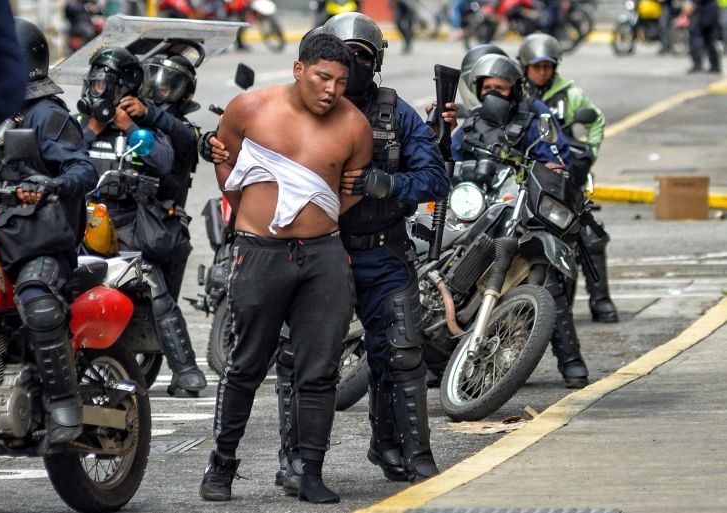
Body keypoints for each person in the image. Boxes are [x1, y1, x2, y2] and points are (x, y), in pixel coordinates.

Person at [201, 12, 450, 489]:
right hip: (309, 251)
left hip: (377, 251)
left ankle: (405, 450)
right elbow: (233, 164)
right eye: (335, 62)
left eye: (358, 60)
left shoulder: (386, 115)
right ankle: (286, 462)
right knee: (289, 360)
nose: (344, 75)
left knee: (400, 353)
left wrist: (387, 183)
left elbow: (434, 177)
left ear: (374, 64)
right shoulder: (267, 108)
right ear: (307, 63)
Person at [198, 33, 372, 505]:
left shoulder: (355, 126)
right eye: (322, 77)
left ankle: (309, 470)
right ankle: (222, 465)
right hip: (260, 253)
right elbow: (226, 164)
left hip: (323, 256)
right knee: (245, 364)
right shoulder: (249, 109)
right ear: (299, 70)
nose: (331, 90)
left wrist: (313, 220)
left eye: (340, 81)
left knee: (319, 370)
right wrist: (256, 220)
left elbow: (349, 192)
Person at [0, 17, 99, 506]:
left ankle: (63, 406)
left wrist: (51, 185)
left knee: (38, 303)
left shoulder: (45, 113)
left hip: (32, 241)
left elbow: (83, 168)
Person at [452, 54, 591, 389]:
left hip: (522, 211)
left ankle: (572, 362)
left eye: (500, 88)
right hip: (478, 211)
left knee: (547, 283)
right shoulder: (469, 125)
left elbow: (557, 158)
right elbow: (447, 162)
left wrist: (553, 169)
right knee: (448, 274)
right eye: (487, 89)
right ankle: (439, 358)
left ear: (514, 89)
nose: (494, 95)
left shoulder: (534, 118)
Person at [78, 46, 208, 397]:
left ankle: (186, 370)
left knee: (152, 283)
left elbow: (166, 159)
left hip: (128, 227)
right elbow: (62, 155)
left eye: (109, 86)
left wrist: (134, 125)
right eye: (96, 85)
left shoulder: (150, 126)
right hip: (80, 225)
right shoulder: (82, 126)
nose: (101, 93)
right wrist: (93, 125)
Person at [518, 33, 618, 325]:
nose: (542, 72)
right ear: (524, 66)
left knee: (588, 237)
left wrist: (587, 156)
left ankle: (600, 300)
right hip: (524, 177)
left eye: (547, 66)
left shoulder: (570, 94)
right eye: (536, 66)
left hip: (564, 178)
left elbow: (596, 119)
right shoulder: (517, 93)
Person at [120, 49, 201, 302]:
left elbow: (186, 140)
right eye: (152, 83)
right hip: (122, 219)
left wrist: (149, 114)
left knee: (160, 309)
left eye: (166, 88)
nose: (156, 93)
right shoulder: (126, 119)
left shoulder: (183, 130)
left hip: (160, 228)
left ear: (184, 94)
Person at [685, 0, 722, 73]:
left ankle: (698, 64)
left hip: (704, 13)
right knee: (710, 41)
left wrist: (692, 4)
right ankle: (715, 65)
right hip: (710, 12)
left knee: (696, 38)